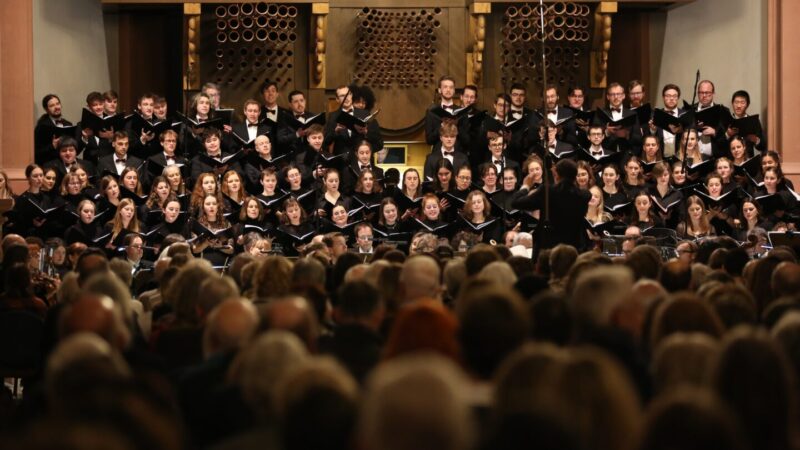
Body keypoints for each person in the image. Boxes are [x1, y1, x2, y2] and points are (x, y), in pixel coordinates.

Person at [511, 159, 592, 251]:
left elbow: (516, 202)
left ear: (556, 175)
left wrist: (526, 186)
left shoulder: (547, 192)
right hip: (573, 248)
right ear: (575, 176)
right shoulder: (584, 195)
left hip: (547, 248)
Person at [190, 193, 233, 267]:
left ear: (218, 206)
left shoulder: (226, 223)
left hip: (222, 265)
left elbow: (231, 250)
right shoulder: (198, 225)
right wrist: (206, 243)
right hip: (204, 266)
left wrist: (220, 247)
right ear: (203, 207)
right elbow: (195, 250)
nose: (211, 206)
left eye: (214, 203)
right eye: (208, 204)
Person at [34, 94, 74, 165]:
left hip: (67, 165)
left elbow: (75, 148)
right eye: (52, 106)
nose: (56, 107)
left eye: (57, 104)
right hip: (49, 165)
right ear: (46, 109)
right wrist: (52, 146)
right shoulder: (41, 126)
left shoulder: (68, 124)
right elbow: (36, 152)